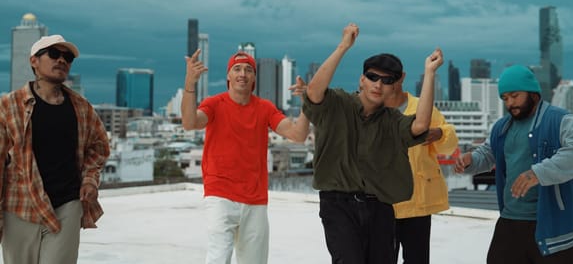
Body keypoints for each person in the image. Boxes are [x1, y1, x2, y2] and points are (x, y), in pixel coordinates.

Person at [302, 23, 444, 264]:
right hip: (338, 205)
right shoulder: (337, 103)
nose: (378, 84)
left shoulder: (392, 120)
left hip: (380, 207)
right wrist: (343, 46)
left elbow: (420, 126)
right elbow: (314, 92)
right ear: (362, 80)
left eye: (387, 80)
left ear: (395, 86)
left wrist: (429, 73)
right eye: (372, 77)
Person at [454, 65, 573, 264]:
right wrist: (471, 160)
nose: (510, 103)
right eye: (505, 98)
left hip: (554, 227)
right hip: (510, 221)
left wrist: (538, 173)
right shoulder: (501, 127)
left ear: (533, 93)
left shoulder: (560, 120)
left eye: (515, 95)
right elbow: (487, 154)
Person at [181, 49, 310, 264]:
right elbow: (190, 122)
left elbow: (298, 135)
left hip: (255, 198)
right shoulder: (214, 104)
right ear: (228, 77)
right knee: (218, 257)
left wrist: (308, 103)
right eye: (237, 69)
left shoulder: (265, 108)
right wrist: (190, 83)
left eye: (249, 70)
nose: (243, 73)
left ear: (254, 79)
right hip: (220, 194)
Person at [0, 34, 110, 264]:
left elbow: (98, 146)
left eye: (67, 57)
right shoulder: (9, 106)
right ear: (34, 61)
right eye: (53, 54)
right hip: (20, 205)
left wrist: (90, 179)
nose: (62, 60)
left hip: (67, 205)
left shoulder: (81, 107)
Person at [384, 62, 458, 264]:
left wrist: (440, 133)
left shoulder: (422, 107)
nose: (382, 84)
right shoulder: (370, 109)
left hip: (417, 202)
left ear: (401, 78)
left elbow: (448, 147)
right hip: (381, 203)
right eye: (377, 79)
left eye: (388, 78)